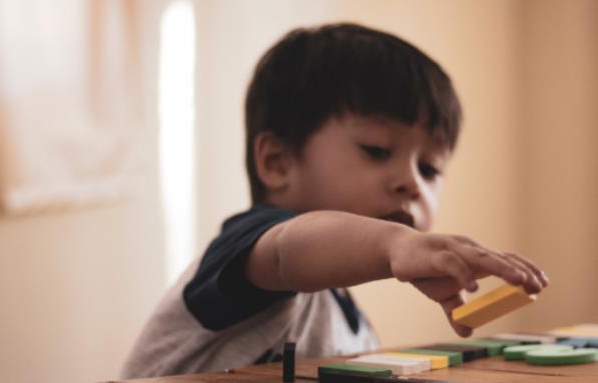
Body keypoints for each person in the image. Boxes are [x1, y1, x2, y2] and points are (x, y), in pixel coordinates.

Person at [121, 22, 548, 378]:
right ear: (278, 161)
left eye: (431, 168)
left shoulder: (355, 330)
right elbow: (291, 251)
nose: (412, 183)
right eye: (378, 150)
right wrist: (392, 244)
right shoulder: (254, 250)